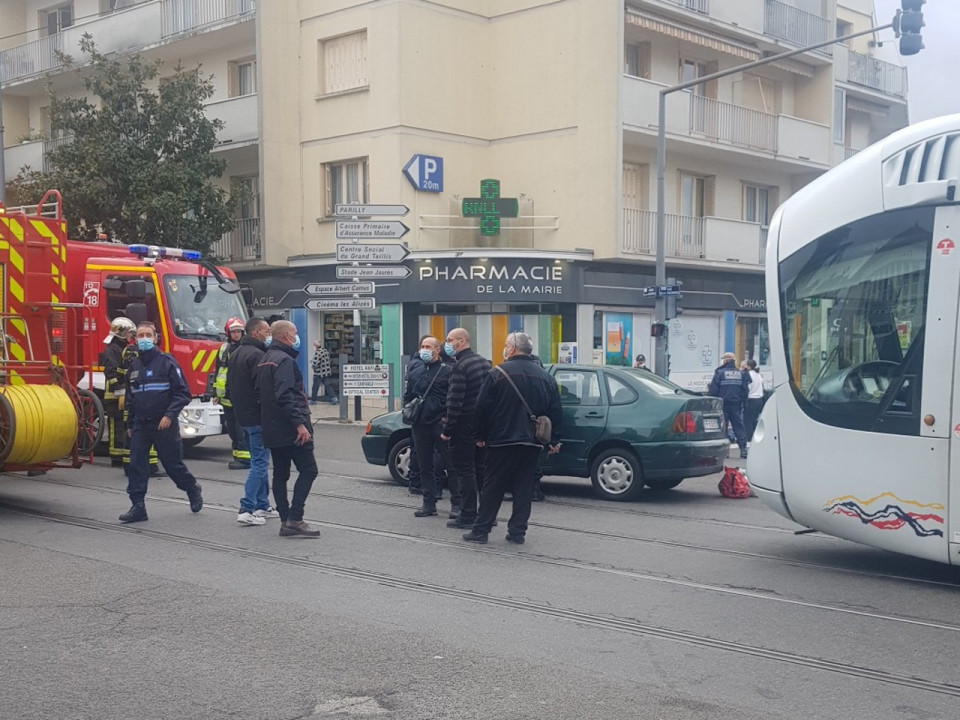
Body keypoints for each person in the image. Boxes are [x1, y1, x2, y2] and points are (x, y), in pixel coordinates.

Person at [464, 332, 562, 544]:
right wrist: (554, 441)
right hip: (532, 442)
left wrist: (478, 435)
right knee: (524, 488)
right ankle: (517, 532)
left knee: (492, 486)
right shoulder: (546, 377)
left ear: (512, 348)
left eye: (506, 345)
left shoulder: (497, 373)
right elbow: (555, 411)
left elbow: (481, 407)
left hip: (502, 440)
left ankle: (481, 530)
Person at [119, 322, 203, 523]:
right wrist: (130, 425)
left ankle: (191, 488)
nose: (144, 339)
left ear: (155, 338)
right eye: (141, 335)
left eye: (148, 335)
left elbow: (183, 393)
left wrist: (169, 415)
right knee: (136, 465)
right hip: (141, 424)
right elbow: (131, 399)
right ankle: (138, 507)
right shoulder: (134, 367)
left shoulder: (167, 362)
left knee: (172, 465)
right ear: (135, 339)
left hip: (163, 423)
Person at [256, 320, 320, 537]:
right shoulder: (284, 360)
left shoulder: (265, 359)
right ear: (285, 336)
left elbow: (259, 395)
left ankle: (285, 520)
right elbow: (286, 395)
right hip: (290, 427)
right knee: (309, 470)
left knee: (280, 473)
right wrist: (300, 424)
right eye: (294, 333)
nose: (297, 337)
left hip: (272, 427)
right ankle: (295, 518)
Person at [228, 316, 279, 526]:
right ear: (256, 332)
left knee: (259, 460)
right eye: (266, 331)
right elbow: (262, 389)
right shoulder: (258, 355)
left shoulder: (236, 353)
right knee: (259, 463)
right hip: (258, 416)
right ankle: (247, 508)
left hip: (243, 416)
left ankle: (262, 504)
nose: (268, 335)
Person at [440, 328, 492, 528]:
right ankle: (487, 515)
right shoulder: (483, 362)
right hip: (481, 425)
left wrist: (447, 430)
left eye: (449, 340)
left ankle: (468, 514)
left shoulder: (460, 367)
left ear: (461, 341)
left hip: (463, 425)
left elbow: (455, 402)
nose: (447, 344)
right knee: (481, 470)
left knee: (464, 471)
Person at [405, 336, 452, 518]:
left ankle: (457, 504)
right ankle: (428, 503)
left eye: (428, 347)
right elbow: (409, 395)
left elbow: (453, 397)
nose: (424, 349)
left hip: (439, 423)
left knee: (450, 464)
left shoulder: (447, 371)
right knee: (425, 465)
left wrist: (446, 418)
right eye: (423, 346)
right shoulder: (416, 372)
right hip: (420, 424)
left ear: (437, 350)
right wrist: (409, 411)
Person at [213, 317, 251, 470]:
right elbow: (218, 371)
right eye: (233, 332)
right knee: (231, 427)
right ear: (228, 333)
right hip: (226, 396)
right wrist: (215, 393)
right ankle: (237, 455)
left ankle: (244, 459)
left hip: (240, 395)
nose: (236, 334)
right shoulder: (224, 348)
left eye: (239, 332)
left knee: (241, 428)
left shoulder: (245, 349)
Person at [100, 317, 136, 469]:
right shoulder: (112, 350)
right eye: (129, 334)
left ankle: (121, 456)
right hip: (114, 396)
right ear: (122, 334)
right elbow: (111, 373)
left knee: (122, 426)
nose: (131, 337)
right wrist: (120, 391)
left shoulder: (121, 349)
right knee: (116, 427)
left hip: (122, 394)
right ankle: (116, 458)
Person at [708, 352, 749, 459]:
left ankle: (725, 452)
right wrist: (743, 403)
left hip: (723, 404)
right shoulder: (740, 373)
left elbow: (713, 391)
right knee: (738, 426)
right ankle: (743, 449)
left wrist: (711, 403)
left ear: (725, 361)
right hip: (736, 404)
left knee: (723, 427)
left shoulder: (720, 373)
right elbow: (745, 390)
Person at [310, 340, 338, 405]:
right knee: (328, 386)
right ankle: (334, 398)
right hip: (326, 372)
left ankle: (313, 400)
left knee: (315, 387)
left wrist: (313, 367)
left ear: (316, 346)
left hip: (319, 373)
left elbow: (315, 364)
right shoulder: (325, 351)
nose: (313, 346)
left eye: (314, 345)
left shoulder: (318, 353)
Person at [744, 358, 765, 442]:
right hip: (759, 400)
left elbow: (747, 388)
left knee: (747, 421)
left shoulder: (748, 375)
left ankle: (749, 439)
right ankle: (756, 437)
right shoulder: (758, 375)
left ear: (748, 366)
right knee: (754, 420)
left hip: (751, 399)